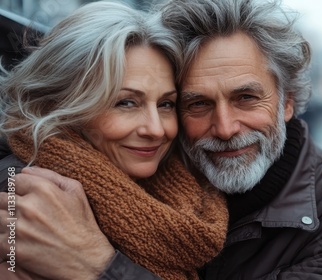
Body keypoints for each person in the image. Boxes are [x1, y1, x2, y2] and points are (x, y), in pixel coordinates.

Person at [1, 0, 322, 279]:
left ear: (288, 101)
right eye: (197, 104)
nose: (224, 128)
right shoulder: (110, 173)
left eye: (246, 98)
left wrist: (94, 265)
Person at [0, 2, 227, 279]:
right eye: (126, 102)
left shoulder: (185, 191)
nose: (156, 130)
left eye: (166, 104)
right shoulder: (20, 202)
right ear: (58, 104)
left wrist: (98, 263)